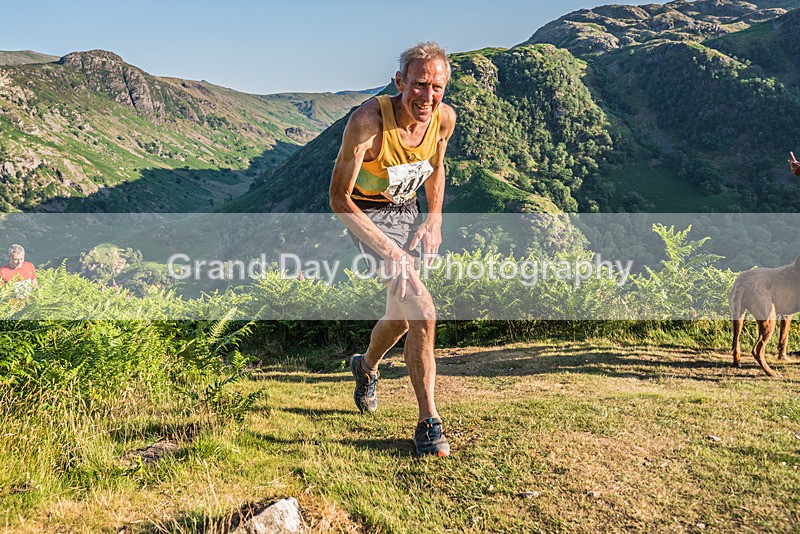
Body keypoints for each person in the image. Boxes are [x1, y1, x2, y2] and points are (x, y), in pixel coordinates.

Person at [329, 42, 456, 457]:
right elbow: (338, 198)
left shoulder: (444, 119)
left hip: (406, 209)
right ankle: (428, 422)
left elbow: (436, 167)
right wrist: (390, 250)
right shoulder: (367, 122)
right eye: (419, 85)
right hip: (365, 212)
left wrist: (434, 217)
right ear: (400, 82)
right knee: (422, 308)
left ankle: (365, 367)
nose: (428, 96)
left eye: (437, 86)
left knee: (403, 318)